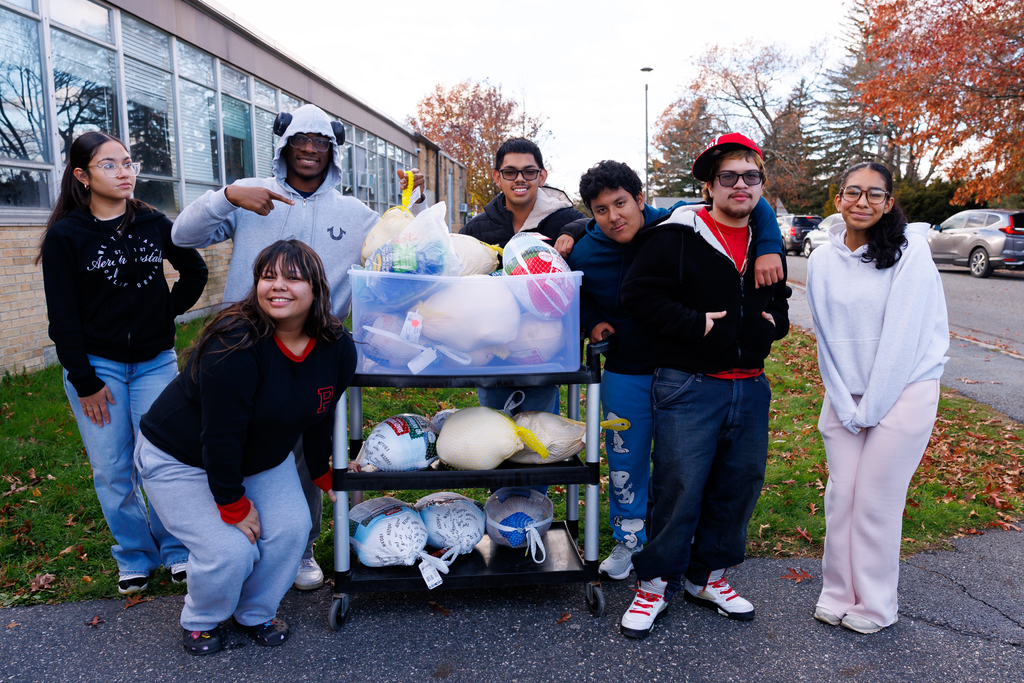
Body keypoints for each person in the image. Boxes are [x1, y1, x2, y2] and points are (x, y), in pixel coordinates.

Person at [172, 104, 425, 591]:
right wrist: (227, 196)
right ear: (283, 146)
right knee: (229, 442)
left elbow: (397, 251)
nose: (310, 150)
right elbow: (183, 235)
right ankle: (229, 545)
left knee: (307, 456)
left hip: (313, 354)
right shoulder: (255, 198)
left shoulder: (352, 214)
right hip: (245, 348)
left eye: (321, 143)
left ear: (333, 151)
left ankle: (301, 548)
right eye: (300, 141)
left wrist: (408, 201)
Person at [136, 240, 357, 655]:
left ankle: (254, 611)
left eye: (293, 277)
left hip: (259, 457)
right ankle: (202, 618)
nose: (277, 286)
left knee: (292, 530)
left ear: (316, 288)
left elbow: (319, 412)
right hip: (181, 458)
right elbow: (220, 437)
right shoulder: (234, 343)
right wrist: (233, 504)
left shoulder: (336, 346)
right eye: (267, 276)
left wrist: (322, 470)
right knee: (231, 549)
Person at [569, 159, 785, 581]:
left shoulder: (677, 222)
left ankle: (679, 538)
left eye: (621, 203)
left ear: (641, 199)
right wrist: (592, 320)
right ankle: (630, 538)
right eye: (600, 210)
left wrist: (772, 244)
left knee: (682, 465)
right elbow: (575, 292)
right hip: (627, 371)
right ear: (590, 215)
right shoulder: (584, 249)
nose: (614, 216)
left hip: (688, 371)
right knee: (626, 460)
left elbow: (747, 200)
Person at [618, 133, 790, 639]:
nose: (741, 185)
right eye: (729, 177)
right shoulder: (677, 235)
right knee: (679, 486)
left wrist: (766, 327)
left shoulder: (766, 246)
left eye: (751, 177)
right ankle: (654, 584)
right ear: (709, 185)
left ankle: (707, 577)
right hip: (689, 385)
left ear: (760, 184)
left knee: (737, 486)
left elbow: (778, 310)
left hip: (750, 386)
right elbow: (638, 296)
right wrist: (698, 325)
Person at [37, 131, 208, 595]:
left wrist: (166, 311)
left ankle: (176, 549)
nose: (125, 172)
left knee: (162, 460)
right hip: (98, 370)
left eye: (128, 162)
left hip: (155, 363)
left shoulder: (154, 222)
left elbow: (194, 270)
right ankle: (134, 556)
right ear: (82, 176)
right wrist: (85, 379)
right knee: (113, 468)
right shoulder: (65, 236)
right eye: (109, 165)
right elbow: (63, 319)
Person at [806, 162, 948, 634]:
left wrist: (873, 406)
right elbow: (825, 337)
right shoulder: (824, 259)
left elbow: (904, 337)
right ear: (838, 198)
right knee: (842, 496)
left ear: (889, 203)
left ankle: (876, 605)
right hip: (846, 395)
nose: (862, 202)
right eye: (852, 192)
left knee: (874, 501)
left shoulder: (910, 252)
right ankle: (838, 593)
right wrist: (844, 402)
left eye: (874, 194)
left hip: (904, 389)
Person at [460, 138, 586, 417]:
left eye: (529, 171)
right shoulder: (478, 228)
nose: (520, 179)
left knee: (539, 435)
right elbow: (452, 266)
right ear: (497, 176)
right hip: (492, 355)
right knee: (495, 430)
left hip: (545, 354)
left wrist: (573, 230)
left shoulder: (563, 219)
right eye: (510, 172)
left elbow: (593, 226)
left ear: (542, 176)